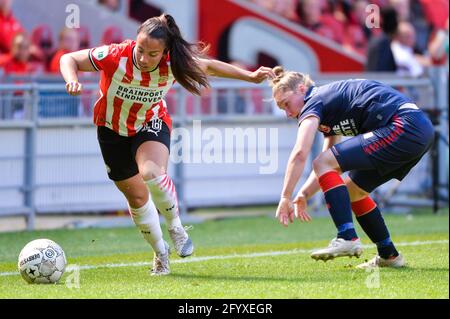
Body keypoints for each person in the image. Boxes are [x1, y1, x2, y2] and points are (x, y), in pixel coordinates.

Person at [60, 14, 274, 275]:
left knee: (152, 173)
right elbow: (68, 58)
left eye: (152, 54)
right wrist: (72, 78)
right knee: (137, 197)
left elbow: (209, 67)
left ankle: (176, 227)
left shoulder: (174, 63)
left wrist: (250, 77)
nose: (143, 58)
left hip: (151, 122)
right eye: (140, 50)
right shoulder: (116, 54)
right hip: (111, 129)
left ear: (164, 52)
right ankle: (160, 253)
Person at [270, 66, 434, 268]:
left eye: (286, 104)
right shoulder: (326, 108)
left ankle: (347, 238)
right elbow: (329, 165)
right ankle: (389, 255)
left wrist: (285, 196)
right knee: (352, 191)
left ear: (302, 89)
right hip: (417, 130)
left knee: (323, 163)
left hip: (404, 125)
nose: (287, 113)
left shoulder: (314, 101)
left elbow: (301, 153)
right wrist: (304, 194)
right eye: (282, 108)